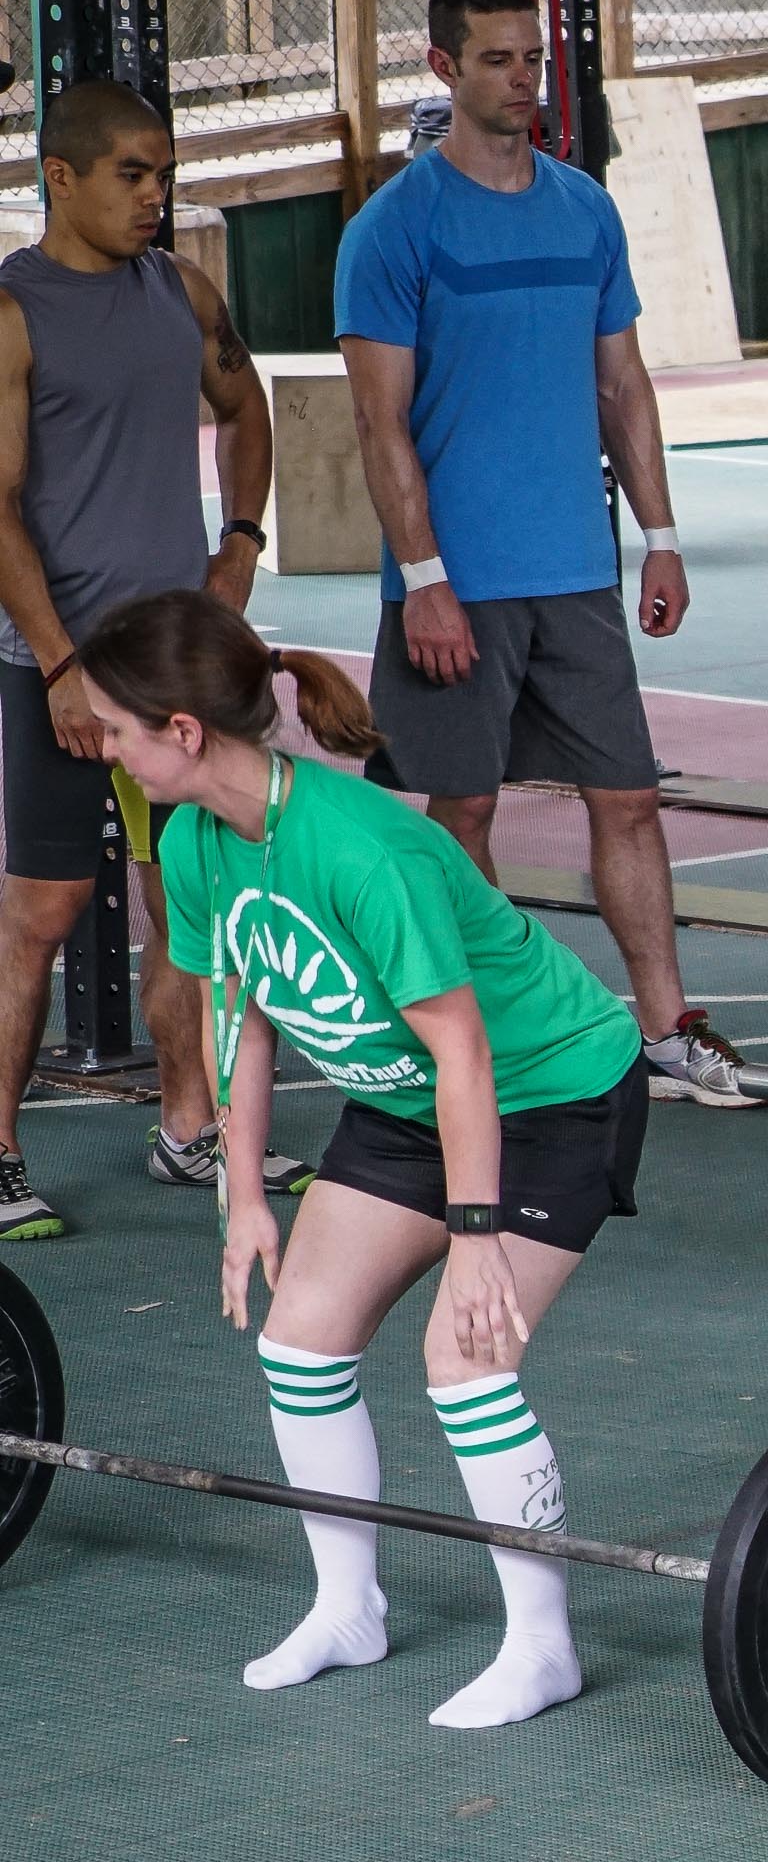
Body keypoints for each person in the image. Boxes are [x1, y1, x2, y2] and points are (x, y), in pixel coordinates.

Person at [74, 592, 647, 1730]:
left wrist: (476, 1240)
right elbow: (239, 1007)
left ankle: (543, 1648)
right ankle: (350, 1608)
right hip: (400, 1107)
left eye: (115, 729)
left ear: (182, 730)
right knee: (300, 1342)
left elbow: (467, 1051)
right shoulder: (195, 839)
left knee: (466, 1361)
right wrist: (242, 1190)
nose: (103, 748)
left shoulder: (364, 848)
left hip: (547, 1094)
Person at [332, 0, 749, 1109]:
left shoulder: (585, 210)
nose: (523, 79)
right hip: (453, 585)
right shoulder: (392, 230)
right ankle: (486, 1040)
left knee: (629, 799)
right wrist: (423, 580)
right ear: (443, 70)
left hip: (576, 574)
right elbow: (379, 423)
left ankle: (667, 1030)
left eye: (533, 58)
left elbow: (624, 382)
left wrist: (659, 536)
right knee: (461, 812)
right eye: (498, 61)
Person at [0, 80, 275, 1234]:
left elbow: (245, 401)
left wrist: (241, 549)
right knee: (44, 911)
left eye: (164, 173)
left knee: (199, 905)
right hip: (56, 670)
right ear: (59, 177)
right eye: (131, 173)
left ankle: (187, 1127)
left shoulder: (180, 289)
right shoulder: (13, 310)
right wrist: (63, 666)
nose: (156, 195)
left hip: (171, 667)